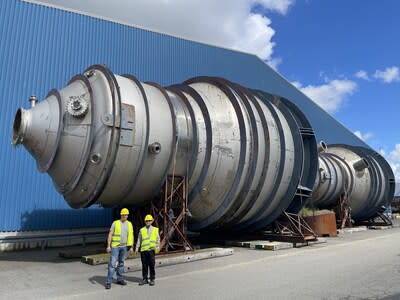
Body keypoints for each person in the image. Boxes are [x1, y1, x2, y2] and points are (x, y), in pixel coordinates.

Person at [105, 208, 134, 289]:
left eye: (126, 215)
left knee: (121, 263)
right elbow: (110, 234)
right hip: (115, 247)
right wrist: (108, 246)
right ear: (121, 215)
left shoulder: (129, 224)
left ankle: (120, 279)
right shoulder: (115, 223)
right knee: (112, 264)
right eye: (123, 215)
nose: (125, 216)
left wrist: (131, 247)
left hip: (124, 247)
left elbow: (131, 235)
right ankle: (108, 282)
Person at [135, 214, 160, 286]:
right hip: (143, 250)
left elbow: (158, 239)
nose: (148, 222)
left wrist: (158, 247)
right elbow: (139, 240)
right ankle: (145, 279)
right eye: (146, 221)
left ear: (152, 221)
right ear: (145, 221)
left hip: (151, 250)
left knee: (152, 265)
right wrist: (137, 248)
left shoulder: (155, 229)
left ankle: (152, 279)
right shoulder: (142, 230)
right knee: (144, 265)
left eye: (149, 220)